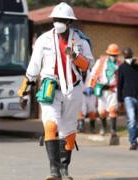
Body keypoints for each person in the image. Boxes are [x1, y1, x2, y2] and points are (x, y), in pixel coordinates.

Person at [17, 2, 93, 180]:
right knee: (51, 125)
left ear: (69, 22)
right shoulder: (43, 40)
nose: (58, 22)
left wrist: (74, 56)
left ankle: (64, 168)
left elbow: (89, 64)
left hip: (73, 90)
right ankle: (54, 171)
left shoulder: (80, 40)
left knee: (69, 130)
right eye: (56, 19)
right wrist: (23, 91)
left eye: (62, 19)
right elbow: (34, 67)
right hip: (50, 89)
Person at [87, 43, 121, 145]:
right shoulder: (101, 62)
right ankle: (103, 127)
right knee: (101, 112)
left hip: (113, 90)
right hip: (101, 90)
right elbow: (93, 74)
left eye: (115, 55)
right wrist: (90, 86)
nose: (113, 57)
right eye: (112, 55)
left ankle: (113, 130)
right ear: (108, 54)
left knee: (113, 110)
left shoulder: (119, 64)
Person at [117, 47, 138, 150]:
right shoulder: (122, 67)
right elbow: (119, 84)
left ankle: (134, 135)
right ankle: (133, 141)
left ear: (132, 54)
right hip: (128, 96)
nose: (128, 56)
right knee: (132, 118)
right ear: (124, 56)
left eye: (129, 54)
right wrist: (120, 100)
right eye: (126, 55)